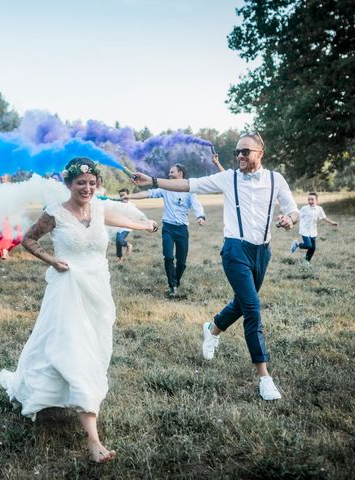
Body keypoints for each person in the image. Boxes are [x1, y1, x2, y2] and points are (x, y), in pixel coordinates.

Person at [0, 157, 158, 463]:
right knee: (75, 349)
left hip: (98, 289)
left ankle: (59, 389)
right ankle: (94, 440)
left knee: (94, 348)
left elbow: (117, 220)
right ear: (69, 184)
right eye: (80, 183)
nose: (86, 188)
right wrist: (51, 260)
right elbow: (28, 239)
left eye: (91, 183)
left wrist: (144, 224)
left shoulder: (98, 207)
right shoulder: (55, 213)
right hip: (68, 288)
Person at [132, 132, 299, 400]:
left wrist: (290, 219)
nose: (240, 156)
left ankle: (213, 329)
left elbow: (293, 209)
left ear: (260, 153)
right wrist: (152, 181)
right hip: (234, 250)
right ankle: (264, 377)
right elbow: (189, 184)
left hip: (262, 252)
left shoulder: (275, 179)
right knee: (253, 309)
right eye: (237, 152)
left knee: (243, 303)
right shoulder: (228, 178)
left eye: (245, 151)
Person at [127, 163, 206, 297]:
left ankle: (175, 282)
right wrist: (129, 197)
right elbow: (148, 193)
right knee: (168, 257)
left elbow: (197, 205)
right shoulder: (165, 188)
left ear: (180, 173)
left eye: (172, 172)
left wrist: (200, 216)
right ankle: (172, 287)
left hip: (182, 229)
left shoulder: (189, 190)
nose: (169, 174)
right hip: (168, 228)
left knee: (181, 262)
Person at [290, 192, 339, 262]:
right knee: (308, 245)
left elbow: (323, 218)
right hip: (304, 230)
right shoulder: (305, 208)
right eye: (309, 199)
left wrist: (332, 223)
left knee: (312, 248)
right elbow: (298, 216)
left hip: (313, 231)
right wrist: (291, 221)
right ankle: (297, 244)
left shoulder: (319, 209)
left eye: (312, 199)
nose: (310, 201)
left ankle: (306, 262)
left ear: (316, 200)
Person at [113, 188, 149, 265]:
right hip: (118, 225)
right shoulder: (118, 204)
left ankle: (128, 245)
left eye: (123, 195)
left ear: (128, 195)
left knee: (119, 240)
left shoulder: (132, 206)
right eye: (120, 196)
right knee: (117, 242)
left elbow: (138, 216)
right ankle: (120, 258)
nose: (122, 197)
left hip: (126, 226)